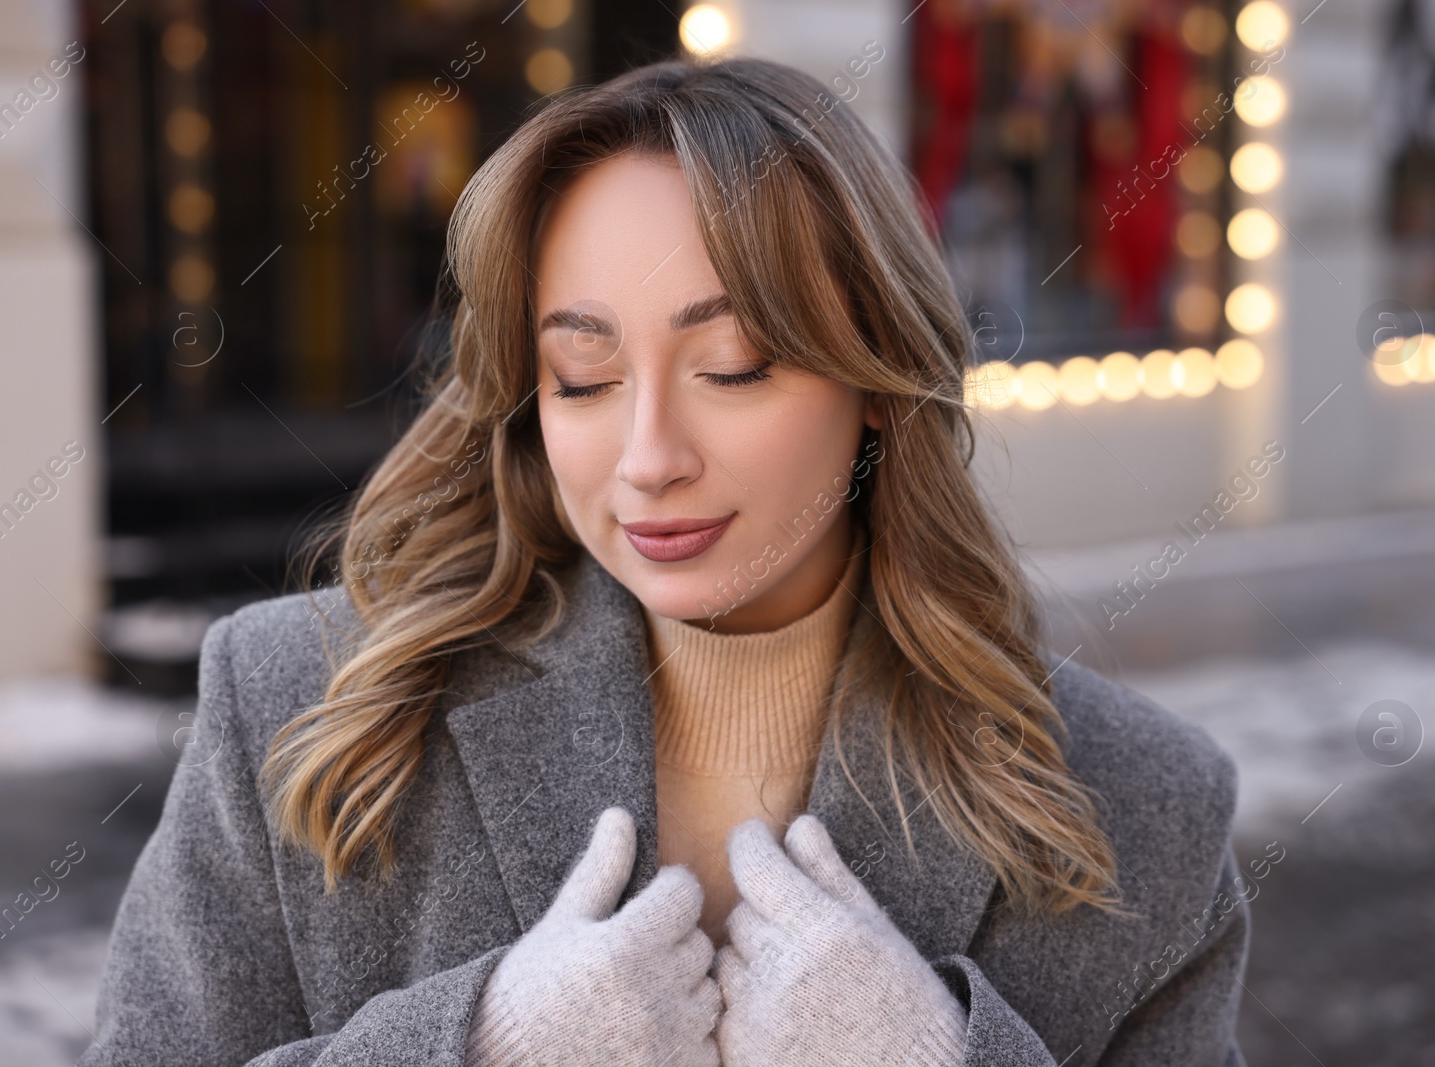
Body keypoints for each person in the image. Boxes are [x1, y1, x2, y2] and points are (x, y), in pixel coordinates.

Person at [78, 55, 1250, 1067]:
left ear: (879, 383)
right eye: (582, 378)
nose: (647, 459)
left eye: (732, 365)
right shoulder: (298, 704)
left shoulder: (1143, 811)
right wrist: (484, 1045)